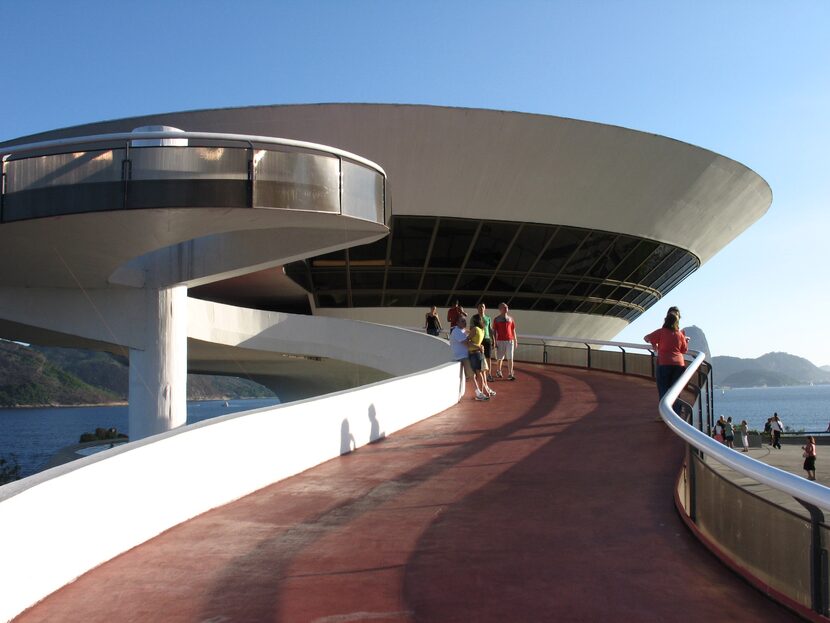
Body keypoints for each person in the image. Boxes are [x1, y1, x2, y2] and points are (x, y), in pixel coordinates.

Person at [643, 311, 689, 409]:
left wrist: (653, 343)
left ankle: (664, 413)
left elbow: (646, 338)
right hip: (679, 365)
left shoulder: (661, 331)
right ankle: (676, 414)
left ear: (665, 321)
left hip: (664, 363)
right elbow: (684, 350)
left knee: (663, 389)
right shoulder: (680, 335)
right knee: (675, 390)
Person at [449, 316, 488, 401]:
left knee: (473, 375)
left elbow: (470, 339)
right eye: (462, 321)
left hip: (466, 356)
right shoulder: (456, 332)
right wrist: (479, 347)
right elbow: (467, 343)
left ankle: (481, 392)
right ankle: (478, 393)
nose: (465, 322)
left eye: (465, 321)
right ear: (457, 323)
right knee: (472, 375)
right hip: (461, 357)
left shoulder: (463, 331)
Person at [468, 314, 495, 398]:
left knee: (478, 373)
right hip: (479, 353)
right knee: (482, 374)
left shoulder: (475, 329)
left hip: (474, 353)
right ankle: (485, 391)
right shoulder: (482, 330)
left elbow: (467, 340)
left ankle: (482, 393)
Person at [493, 302, 518, 380]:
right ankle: (498, 371)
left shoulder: (510, 319)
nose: (506, 308)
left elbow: (513, 330)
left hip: (510, 341)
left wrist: (515, 340)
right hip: (500, 341)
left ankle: (510, 373)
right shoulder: (496, 319)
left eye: (507, 307)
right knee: (500, 358)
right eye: (504, 307)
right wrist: (494, 341)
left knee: (510, 357)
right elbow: (494, 331)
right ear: (500, 309)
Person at [471, 303, 494, 382]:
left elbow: (490, 329)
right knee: (478, 357)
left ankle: (489, 374)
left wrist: (493, 339)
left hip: (487, 339)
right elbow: (471, 328)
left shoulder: (488, 318)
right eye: (480, 307)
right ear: (477, 308)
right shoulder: (474, 318)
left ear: (485, 308)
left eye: (483, 307)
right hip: (478, 340)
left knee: (488, 357)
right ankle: (478, 374)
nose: (481, 308)